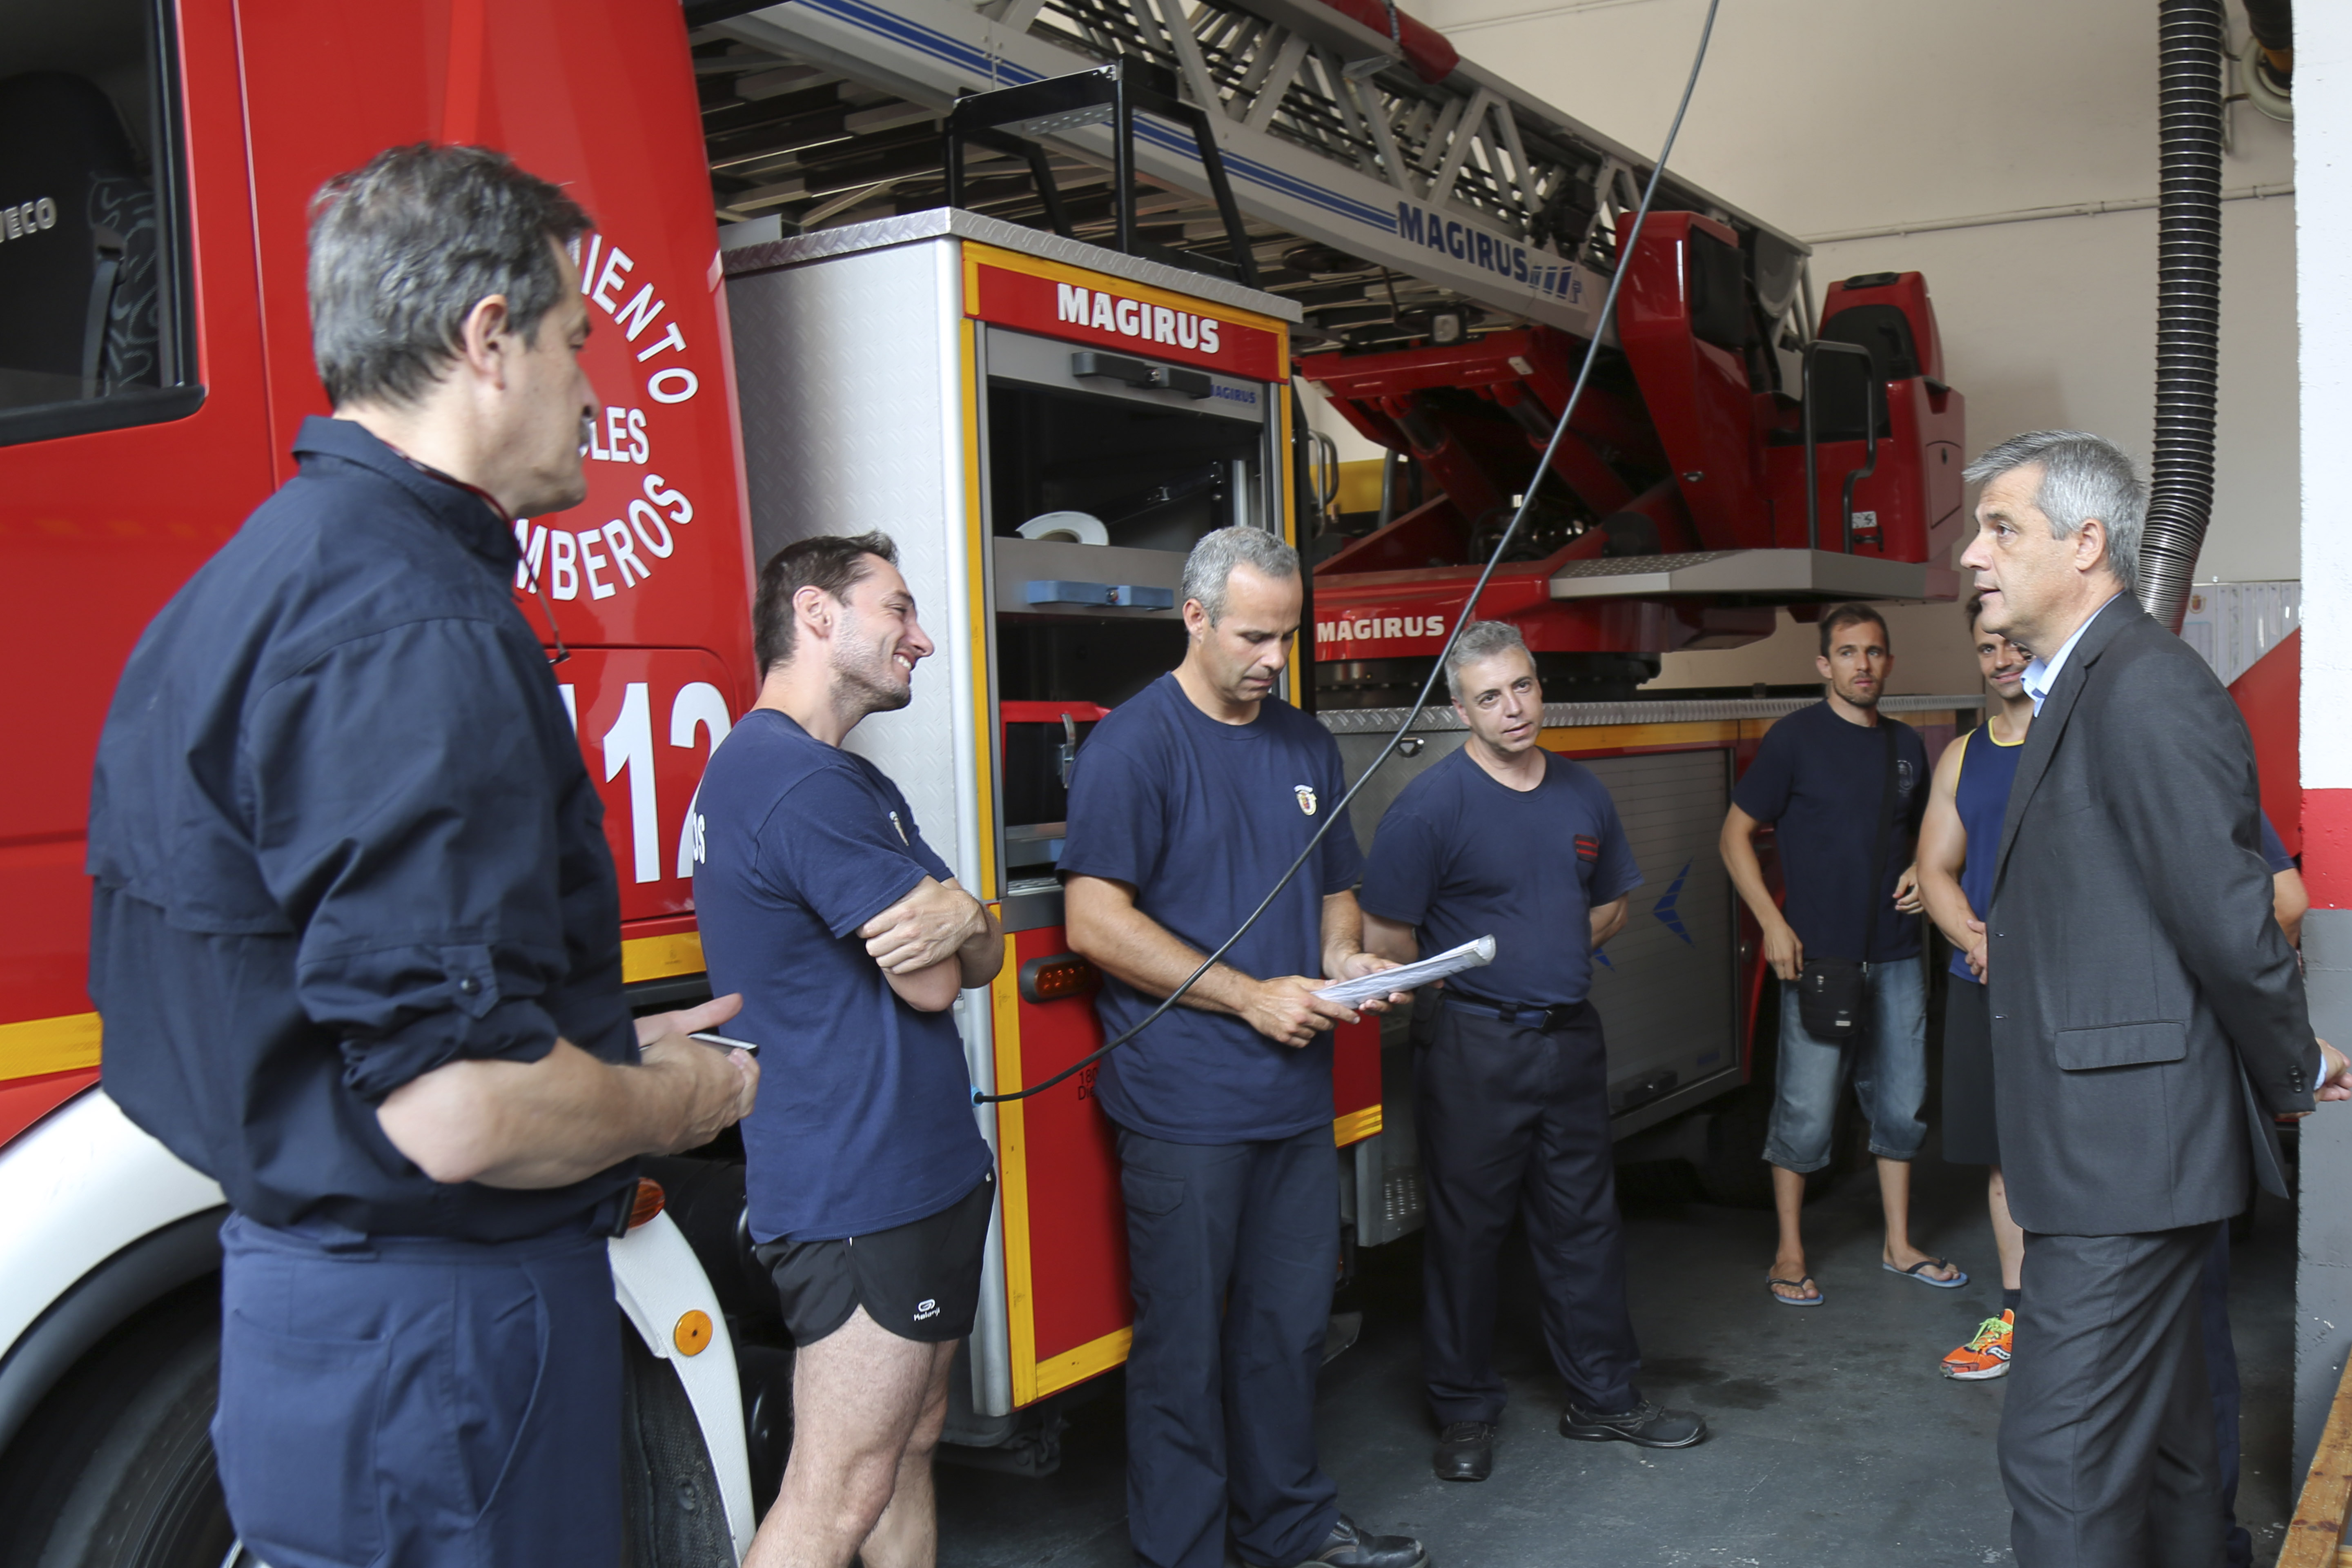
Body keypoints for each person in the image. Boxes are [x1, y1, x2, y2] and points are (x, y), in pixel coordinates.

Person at [82, 145, 759, 1568]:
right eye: (577, 344)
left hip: (308, 1323)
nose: (595, 388)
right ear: (488, 341)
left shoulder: (249, 584)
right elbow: (460, 1113)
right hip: (449, 1350)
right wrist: (666, 1096)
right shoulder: (417, 627)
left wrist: (587, 1029)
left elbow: (297, 982)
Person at [1959, 428, 2350, 1567]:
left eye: (2002, 529)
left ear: (2087, 545)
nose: (1972, 556)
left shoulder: (2142, 687)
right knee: (2178, 1444)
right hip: (2126, 1145)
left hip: (2123, 1156)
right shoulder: (2088, 680)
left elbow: (2229, 914)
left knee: (2061, 1460)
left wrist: (2291, 1060)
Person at [1061, 526, 1423, 1568]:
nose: (1275, 659)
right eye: (1256, 637)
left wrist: (1347, 960)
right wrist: (1250, 999)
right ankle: (1186, 1552)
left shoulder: (1307, 743)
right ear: (1196, 618)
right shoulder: (1135, 745)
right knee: (1182, 1351)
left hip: (1292, 1102)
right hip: (1184, 1109)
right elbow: (1095, 921)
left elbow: (1335, 894)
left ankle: (1292, 1531)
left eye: (1288, 637)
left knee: (1288, 1335)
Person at [693, 533, 1006, 1568]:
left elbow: (978, 954)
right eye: (899, 611)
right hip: (859, 1192)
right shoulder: (797, 784)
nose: (920, 639)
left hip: (915, 1177)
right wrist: (964, 919)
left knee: (910, 1447)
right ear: (818, 615)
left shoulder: (841, 778)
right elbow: (934, 973)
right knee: (836, 1494)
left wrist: (963, 916)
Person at [1359, 621, 1706, 1485]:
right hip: (1475, 1044)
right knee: (1469, 1236)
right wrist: (1484, 982)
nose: (1512, 709)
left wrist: (1544, 946)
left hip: (1569, 1038)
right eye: (1489, 697)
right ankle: (1464, 1410)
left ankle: (1605, 1398)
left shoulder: (1582, 794)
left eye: (1522, 687)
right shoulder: (1430, 808)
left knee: (1584, 1223)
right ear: (1458, 708)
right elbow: (1385, 935)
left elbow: (1612, 905)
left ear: (1539, 684)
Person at [1719, 603, 1962, 1307]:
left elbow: (1930, 838)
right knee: (1804, 1109)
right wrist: (1772, 921)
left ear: (1889, 662)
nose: (1864, 665)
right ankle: (1789, 1253)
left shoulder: (1907, 746)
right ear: (1825, 664)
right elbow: (1735, 836)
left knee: (1902, 1104)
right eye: (1849, 653)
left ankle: (1899, 1243)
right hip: (1817, 956)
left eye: (1875, 653)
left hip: (1895, 956)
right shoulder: (1793, 740)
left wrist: (1925, 868)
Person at [1918, 597, 2034, 1379]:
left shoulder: (2079, 735)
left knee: (2076, 1155)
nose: (2002, 659)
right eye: (1987, 647)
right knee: (2002, 1160)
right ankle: (2019, 1318)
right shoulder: (1964, 755)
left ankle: (2085, 1322)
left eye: (2014, 643)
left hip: (2065, 988)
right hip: (1982, 981)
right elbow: (1935, 869)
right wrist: (1973, 937)